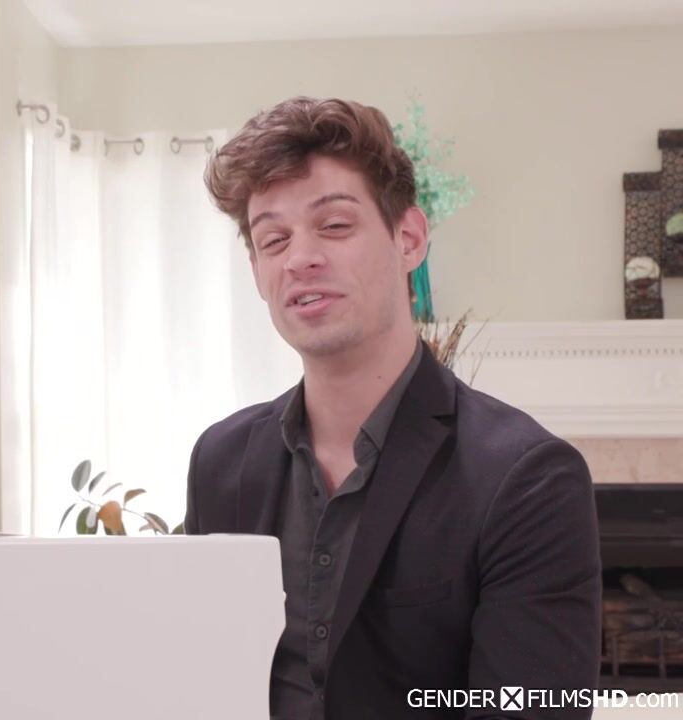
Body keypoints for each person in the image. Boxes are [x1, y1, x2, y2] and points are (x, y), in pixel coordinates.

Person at [187, 97, 601, 720]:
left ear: (409, 239)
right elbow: (198, 683)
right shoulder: (219, 462)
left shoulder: (527, 477)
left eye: (334, 225)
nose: (300, 258)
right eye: (274, 239)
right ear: (256, 269)